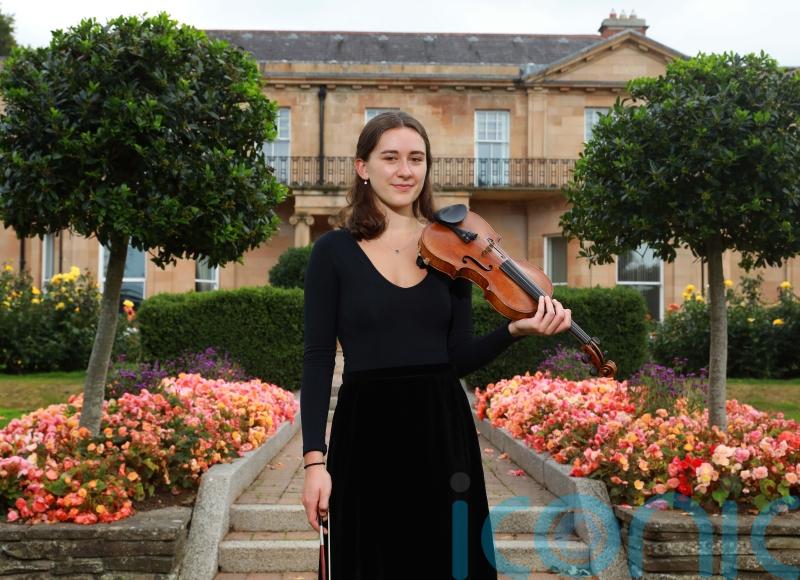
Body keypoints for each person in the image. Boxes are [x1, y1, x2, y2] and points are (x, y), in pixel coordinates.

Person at [300, 111, 572, 579]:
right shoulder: (333, 251)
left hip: (442, 432)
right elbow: (319, 359)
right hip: (366, 433)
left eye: (416, 158)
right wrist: (313, 463)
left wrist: (513, 331)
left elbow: (457, 357)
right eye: (390, 158)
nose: (405, 170)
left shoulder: (452, 246)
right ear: (363, 167)